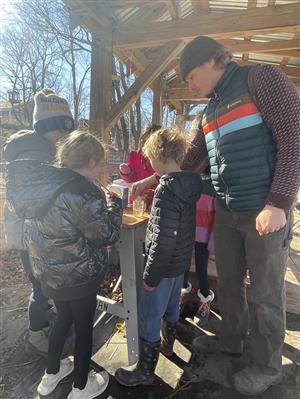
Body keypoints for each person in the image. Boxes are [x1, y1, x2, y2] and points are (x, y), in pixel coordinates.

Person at [131, 36, 300, 396]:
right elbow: (192, 158)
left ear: (211, 61)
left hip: (264, 211)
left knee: (266, 294)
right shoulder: (210, 109)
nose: (189, 85)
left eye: (191, 76)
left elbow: (293, 138)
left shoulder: (262, 79)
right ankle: (231, 341)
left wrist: (279, 203)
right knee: (230, 283)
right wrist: (153, 177)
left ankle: (266, 366)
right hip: (228, 211)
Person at [6, 131, 123, 398]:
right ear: (91, 161)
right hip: (79, 276)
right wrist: (115, 204)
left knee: (63, 319)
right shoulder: (85, 191)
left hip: (49, 273)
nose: (102, 169)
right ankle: (81, 386)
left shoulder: (43, 184)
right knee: (83, 327)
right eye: (102, 163)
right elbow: (106, 235)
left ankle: (51, 374)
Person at [115, 127, 202, 387]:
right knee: (172, 308)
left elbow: (163, 239)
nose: (150, 163)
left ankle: (145, 372)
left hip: (162, 269)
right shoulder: (189, 184)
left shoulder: (166, 190)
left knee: (150, 315)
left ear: (159, 156)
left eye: (150, 157)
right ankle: (168, 347)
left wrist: (151, 276)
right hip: (178, 264)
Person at [3, 89, 75, 354]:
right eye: (59, 130)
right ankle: (36, 333)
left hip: (31, 232)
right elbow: (41, 199)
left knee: (44, 281)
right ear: (47, 126)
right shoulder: (36, 157)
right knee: (40, 284)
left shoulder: (40, 150)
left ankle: (47, 312)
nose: (62, 136)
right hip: (30, 233)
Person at [180, 165, 216, 325]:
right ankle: (182, 297)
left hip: (204, 234)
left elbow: (216, 214)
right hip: (187, 231)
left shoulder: (215, 184)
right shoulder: (189, 180)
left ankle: (205, 301)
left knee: (201, 268)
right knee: (183, 265)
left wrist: (213, 240)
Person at [119, 124, 161, 208]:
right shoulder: (134, 155)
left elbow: (163, 177)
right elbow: (132, 178)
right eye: (145, 141)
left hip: (155, 200)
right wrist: (127, 172)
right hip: (137, 199)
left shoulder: (162, 159)